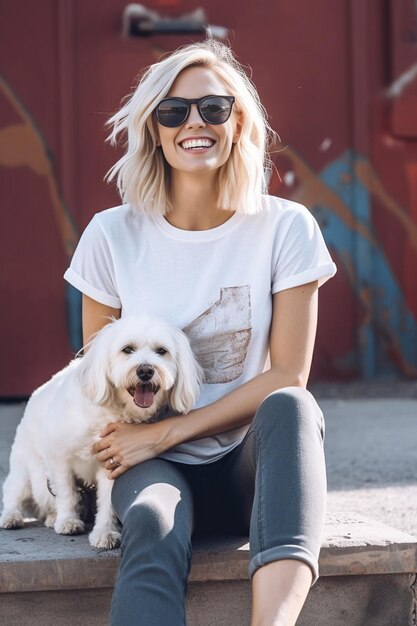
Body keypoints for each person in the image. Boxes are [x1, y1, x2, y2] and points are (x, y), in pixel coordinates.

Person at [64, 39, 336, 626]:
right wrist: (147, 445)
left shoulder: (285, 227)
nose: (195, 123)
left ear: (237, 123)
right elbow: (97, 380)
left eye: (213, 108)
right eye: (174, 110)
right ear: (154, 127)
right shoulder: (111, 236)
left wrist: (170, 433)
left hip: (245, 466)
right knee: (153, 523)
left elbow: (288, 372)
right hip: (150, 467)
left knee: (292, 405)